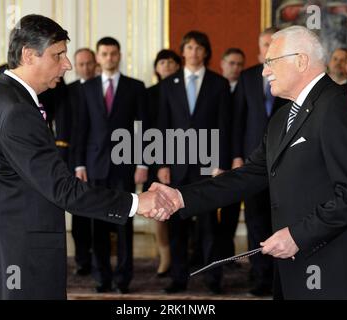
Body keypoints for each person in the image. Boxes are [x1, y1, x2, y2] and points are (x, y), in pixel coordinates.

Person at [0, 14, 174, 300]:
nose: (68, 64)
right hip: (15, 258)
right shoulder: (15, 112)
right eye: (58, 54)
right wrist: (136, 202)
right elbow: (63, 189)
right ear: (28, 55)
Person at [150, 25, 347, 300]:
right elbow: (249, 175)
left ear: (301, 60)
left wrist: (296, 236)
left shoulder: (337, 106)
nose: (264, 70)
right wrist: (181, 198)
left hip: (332, 268)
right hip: (291, 268)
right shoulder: (281, 117)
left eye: (271, 62)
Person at [157, 30, 232, 294]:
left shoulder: (219, 84)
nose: (194, 52)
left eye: (199, 47)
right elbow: (162, 126)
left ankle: (213, 280)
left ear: (206, 52)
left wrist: (221, 164)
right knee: (177, 226)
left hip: (207, 164)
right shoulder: (169, 84)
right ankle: (178, 278)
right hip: (176, 166)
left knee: (209, 226)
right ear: (183, 51)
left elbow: (225, 126)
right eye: (189, 47)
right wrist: (162, 163)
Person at [75, 37, 148, 294]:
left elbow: (142, 129)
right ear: (98, 57)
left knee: (123, 225)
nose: (109, 58)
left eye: (113, 54)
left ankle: (123, 279)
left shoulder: (135, 87)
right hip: (94, 166)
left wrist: (143, 163)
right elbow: (81, 129)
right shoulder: (86, 88)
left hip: (124, 166)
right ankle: (101, 277)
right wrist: (79, 164)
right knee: (98, 226)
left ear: (119, 56)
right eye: (104, 54)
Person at [232, 27, 288, 296]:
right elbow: (237, 120)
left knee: (282, 221)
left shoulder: (291, 76)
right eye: (265, 43)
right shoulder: (246, 77)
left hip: (285, 162)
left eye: (273, 43)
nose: (269, 48)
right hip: (253, 162)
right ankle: (259, 276)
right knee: (255, 222)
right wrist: (235, 156)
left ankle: (282, 277)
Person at [146, 49, 181, 277]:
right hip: (154, 156)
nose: (167, 65)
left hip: (185, 154)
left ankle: (183, 257)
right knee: (159, 208)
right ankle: (165, 255)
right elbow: (145, 130)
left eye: (171, 62)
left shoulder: (186, 91)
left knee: (181, 208)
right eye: (162, 62)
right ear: (156, 68)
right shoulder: (148, 93)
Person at [66, 48, 98, 276]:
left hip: (101, 161)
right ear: (75, 66)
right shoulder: (67, 91)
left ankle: (100, 261)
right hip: (74, 160)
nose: (85, 68)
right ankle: (82, 260)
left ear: (95, 64)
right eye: (81, 64)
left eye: (89, 63)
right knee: (80, 215)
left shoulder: (104, 88)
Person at [218, 47, 245, 269]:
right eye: (231, 63)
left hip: (237, 158)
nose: (235, 68)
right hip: (212, 156)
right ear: (222, 63)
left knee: (231, 209)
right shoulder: (213, 87)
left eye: (239, 64)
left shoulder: (245, 88)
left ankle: (227, 254)